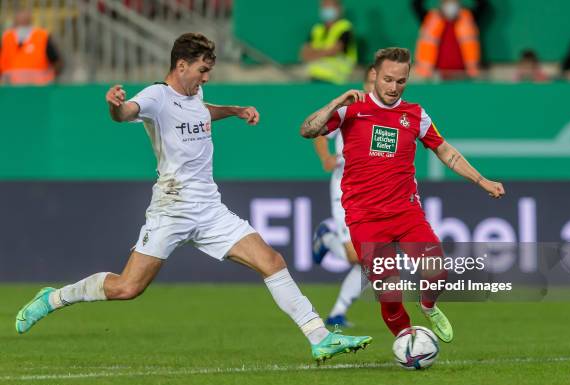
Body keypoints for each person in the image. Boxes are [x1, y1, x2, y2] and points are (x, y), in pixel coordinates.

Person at [14, 33, 372, 363]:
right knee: (127, 287)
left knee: (272, 260)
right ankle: (54, 297)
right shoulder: (156, 96)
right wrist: (114, 106)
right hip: (171, 208)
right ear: (181, 65)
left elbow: (201, 112)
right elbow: (125, 114)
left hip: (211, 210)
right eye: (202, 70)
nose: (205, 77)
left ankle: (319, 337)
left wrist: (234, 111)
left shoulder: (194, 95)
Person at [300, 47, 505, 343]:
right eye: (387, 79)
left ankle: (428, 305)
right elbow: (308, 130)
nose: (394, 87)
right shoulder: (351, 110)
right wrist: (336, 102)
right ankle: (409, 343)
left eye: (401, 81)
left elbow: (445, 150)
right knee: (390, 295)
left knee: (437, 274)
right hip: (365, 219)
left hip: (406, 214)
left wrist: (481, 180)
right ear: (374, 75)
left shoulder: (415, 114)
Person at [311, 65, 376, 328]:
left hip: (373, 195)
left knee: (372, 262)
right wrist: (326, 157)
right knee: (358, 258)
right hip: (345, 192)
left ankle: (338, 313)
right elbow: (318, 132)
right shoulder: (352, 108)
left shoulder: (390, 114)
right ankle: (327, 235)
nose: (376, 87)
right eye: (371, 81)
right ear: (364, 83)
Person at [412, 0, 487, 80]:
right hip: (435, 75)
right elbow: (416, 4)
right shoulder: (429, 17)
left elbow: (483, 5)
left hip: (464, 75)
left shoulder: (468, 17)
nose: (450, 4)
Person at [300, 0, 357, 84]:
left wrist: (314, 54)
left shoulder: (345, 27)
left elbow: (335, 50)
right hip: (313, 76)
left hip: (338, 78)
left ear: (339, 9)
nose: (326, 9)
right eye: (324, 6)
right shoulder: (317, 29)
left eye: (330, 6)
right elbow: (304, 53)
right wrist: (325, 52)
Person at [0, 8, 63, 85]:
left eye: (25, 18)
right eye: (20, 18)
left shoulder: (42, 36)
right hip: (11, 88)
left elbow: (56, 61)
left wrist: (50, 80)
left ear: (30, 19)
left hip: (37, 88)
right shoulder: (6, 38)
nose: (22, 21)